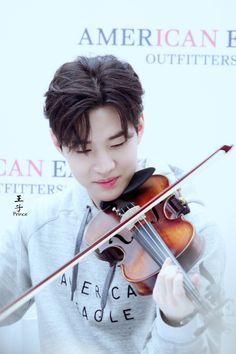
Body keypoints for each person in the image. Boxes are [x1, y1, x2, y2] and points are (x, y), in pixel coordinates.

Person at [0, 55, 225, 354]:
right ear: (57, 143)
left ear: (139, 126)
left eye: (117, 144)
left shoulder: (194, 232)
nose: (105, 166)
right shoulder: (41, 223)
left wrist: (176, 323)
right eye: (83, 150)